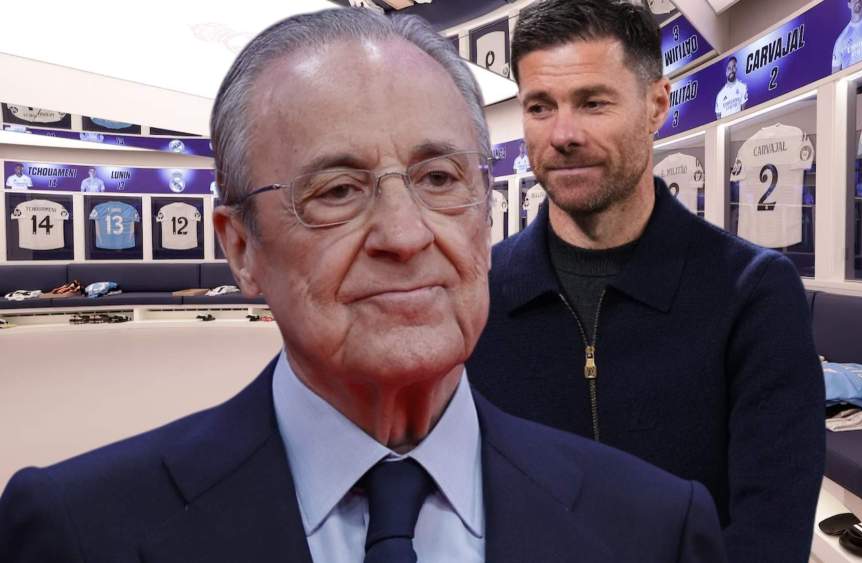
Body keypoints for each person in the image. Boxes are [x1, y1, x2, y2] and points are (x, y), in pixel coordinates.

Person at [0, 8, 726, 563]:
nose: (405, 235)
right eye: (338, 191)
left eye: (439, 178)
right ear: (241, 246)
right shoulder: (74, 532)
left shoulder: (655, 529)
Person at [466, 1, 825, 561]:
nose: (562, 134)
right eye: (540, 107)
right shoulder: (477, 296)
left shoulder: (753, 293)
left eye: (593, 103)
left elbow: (770, 534)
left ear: (657, 105)